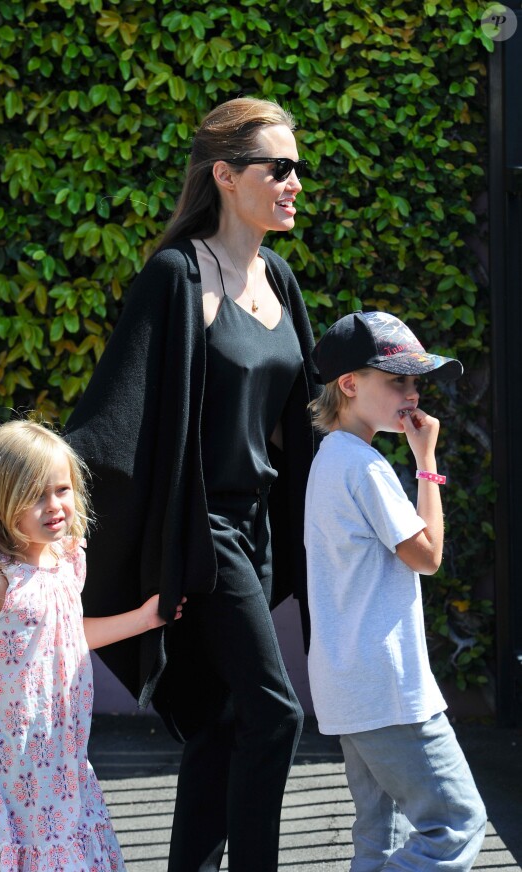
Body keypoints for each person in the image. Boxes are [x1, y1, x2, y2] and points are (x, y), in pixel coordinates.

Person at [64, 97, 319, 872]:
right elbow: (111, 420)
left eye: (298, 169)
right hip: (204, 532)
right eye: (278, 168)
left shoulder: (277, 276)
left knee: (220, 721)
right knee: (275, 716)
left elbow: (300, 419)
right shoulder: (176, 277)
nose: (295, 183)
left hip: (257, 530)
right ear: (225, 175)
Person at [0, 419, 184, 871]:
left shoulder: (68, 560)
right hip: (15, 771)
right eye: (35, 495)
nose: (54, 505)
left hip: (66, 759)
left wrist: (145, 619)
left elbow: (69, 637)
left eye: (61, 490)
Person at [305, 310, 487, 871]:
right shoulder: (365, 466)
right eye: (396, 380)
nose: (412, 394)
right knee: (456, 824)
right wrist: (427, 461)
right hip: (389, 686)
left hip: (348, 685)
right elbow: (428, 556)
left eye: (415, 381)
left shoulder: (330, 459)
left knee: (381, 834)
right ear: (350, 384)